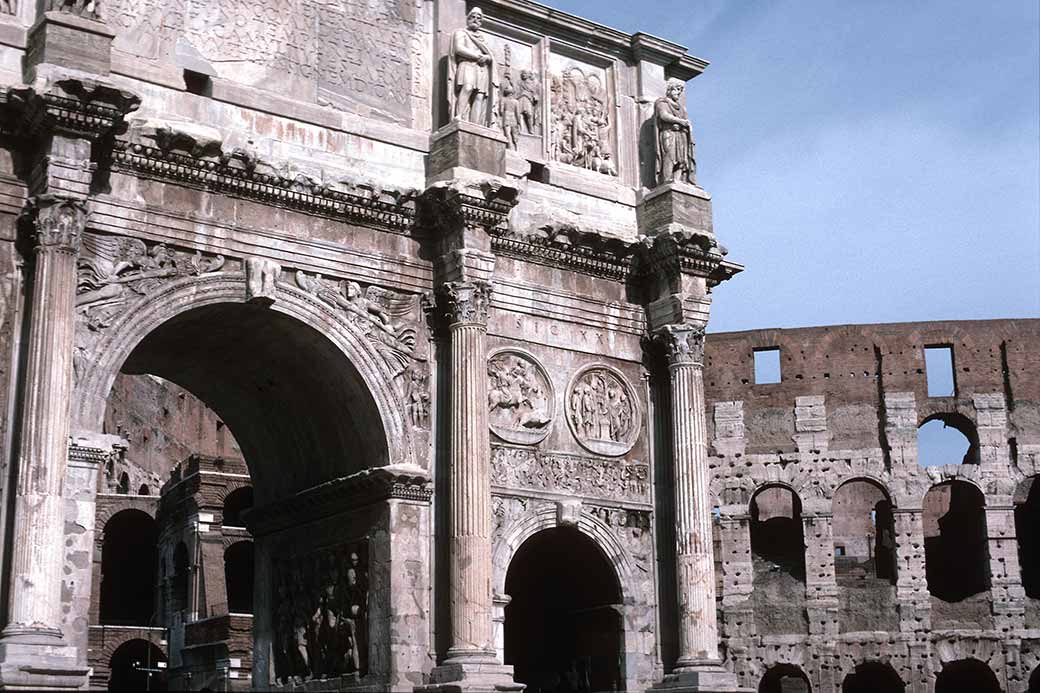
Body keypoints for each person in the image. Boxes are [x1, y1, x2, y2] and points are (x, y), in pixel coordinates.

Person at [449, 8, 499, 126]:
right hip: (467, 64)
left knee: (479, 96)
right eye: (473, 17)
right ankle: (459, 116)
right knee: (467, 88)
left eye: (479, 18)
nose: (476, 20)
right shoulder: (461, 33)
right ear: (468, 19)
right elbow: (459, 48)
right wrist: (478, 56)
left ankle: (475, 124)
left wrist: (487, 58)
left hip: (481, 69)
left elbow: (491, 54)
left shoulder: (482, 38)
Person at [655, 78, 697, 186]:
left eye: (680, 91)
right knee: (670, 156)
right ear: (669, 90)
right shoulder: (662, 102)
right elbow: (664, 115)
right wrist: (681, 121)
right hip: (669, 133)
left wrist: (686, 125)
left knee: (682, 160)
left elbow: (686, 120)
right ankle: (667, 180)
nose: (678, 93)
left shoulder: (682, 109)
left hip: (681, 134)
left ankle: (678, 181)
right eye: (676, 90)